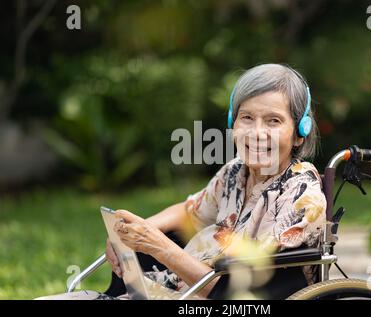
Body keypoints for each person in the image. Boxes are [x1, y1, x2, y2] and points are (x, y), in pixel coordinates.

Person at [36, 63, 326, 300]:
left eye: (273, 121)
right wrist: (137, 232)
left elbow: (240, 293)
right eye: (247, 118)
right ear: (232, 123)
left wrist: (158, 246)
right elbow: (190, 211)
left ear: (300, 131)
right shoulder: (235, 173)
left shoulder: (303, 198)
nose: (256, 132)